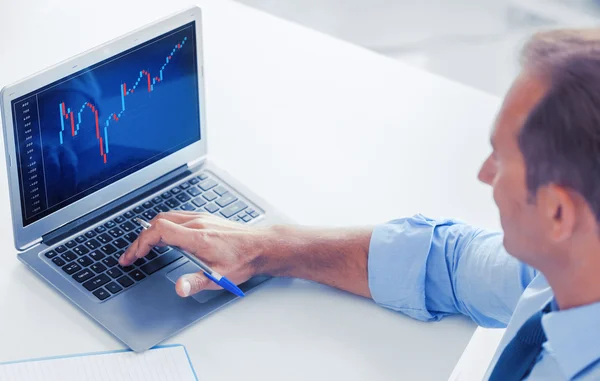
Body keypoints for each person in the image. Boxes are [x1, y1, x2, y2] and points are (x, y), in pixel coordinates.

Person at [119, 28, 600, 380]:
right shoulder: (562, 268)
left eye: (500, 158)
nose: (483, 174)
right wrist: (269, 247)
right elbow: (445, 262)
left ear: (558, 213)